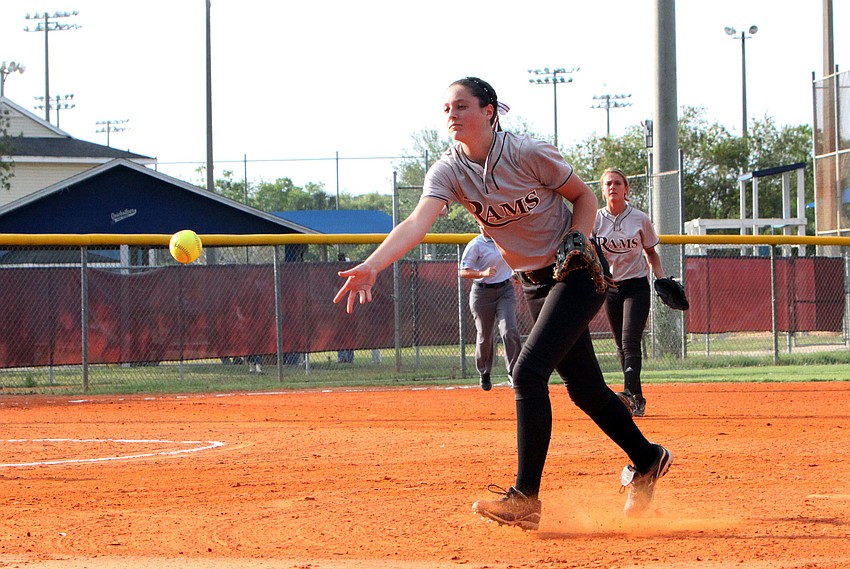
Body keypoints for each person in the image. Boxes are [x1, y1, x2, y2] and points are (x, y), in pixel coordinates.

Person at [333, 77, 672, 530]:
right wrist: (374, 265)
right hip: (533, 283)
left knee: (528, 371)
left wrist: (579, 234)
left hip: (576, 273)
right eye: (447, 108)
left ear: (490, 111)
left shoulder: (527, 152)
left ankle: (525, 498)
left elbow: (584, 196)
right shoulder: (448, 171)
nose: (452, 114)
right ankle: (647, 458)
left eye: (462, 106)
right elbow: (416, 222)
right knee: (586, 390)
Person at [593, 168, 666, 418]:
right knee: (621, 346)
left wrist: (662, 278)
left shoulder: (639, 218)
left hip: (636, 285)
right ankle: (638, 398)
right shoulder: (595, 220)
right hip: (610, 287)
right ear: (602, 191)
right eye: (608, 184)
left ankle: (626, 394)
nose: (612, 187)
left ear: (626, 189)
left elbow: (651, 253)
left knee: (630, 341)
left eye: (617, 183)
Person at [459, 231, 522, 391]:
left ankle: (515, 373)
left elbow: (516, 259)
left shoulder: (505, 238)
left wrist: (516, 272)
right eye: (480, 224)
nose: (483, 226)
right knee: (484, 336)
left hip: (505, 290)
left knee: (509, 330)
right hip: (482, 293)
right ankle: (485, 373)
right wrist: (482, 273)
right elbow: (464, 271)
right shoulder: (476, 244)